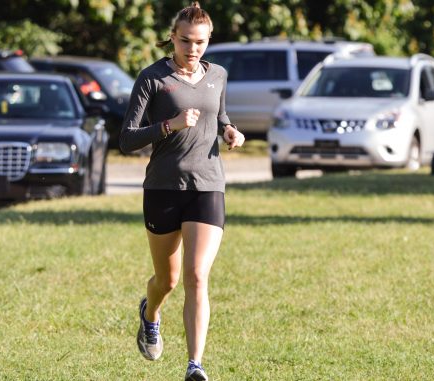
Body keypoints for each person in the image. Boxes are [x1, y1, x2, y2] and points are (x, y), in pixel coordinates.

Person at [118, 2, 245, 380]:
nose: (193, 49)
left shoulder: (217, 75)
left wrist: (230, 132)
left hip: (207, 185)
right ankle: (150, 313)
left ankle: (195, 365)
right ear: (172, 38)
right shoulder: (152, 79)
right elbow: (126, 139)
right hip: (163, 188)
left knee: (196, 275)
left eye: (201, 43)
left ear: (209, 41)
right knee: (167, 280)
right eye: (186, 41)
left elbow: (220, 116)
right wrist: (169, 125)